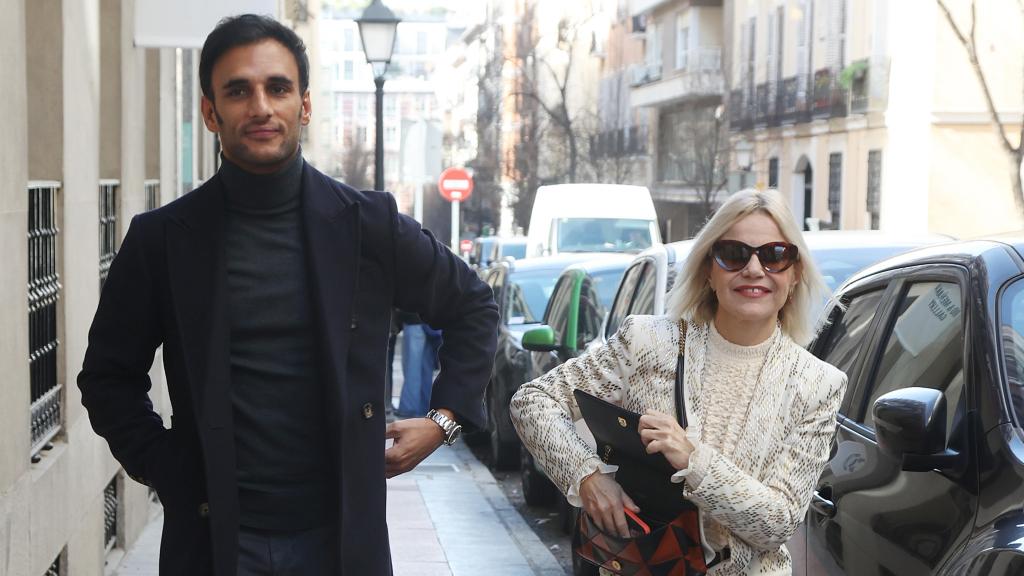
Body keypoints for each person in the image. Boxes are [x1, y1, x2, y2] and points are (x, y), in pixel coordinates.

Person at [77, 14, 498, 576]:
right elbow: (107, 377)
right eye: (238, 91)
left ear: (303, 105)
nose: (260, 107)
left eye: (277, 88)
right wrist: (167, 465)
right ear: (210, 111)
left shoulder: (366, 225)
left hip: (342, 536)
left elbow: (473, 305)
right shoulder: (162, 240)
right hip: (216, 537)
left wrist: (444, 421)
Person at [511, 188, 847, 575]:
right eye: (734, 254)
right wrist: (586, 476)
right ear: (709, 268)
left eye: (774, 255)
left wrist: (693, 459)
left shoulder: (817, 384)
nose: (754, 270)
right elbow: (533, 401)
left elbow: (778, 523)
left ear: (795, 273)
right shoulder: (649, 342)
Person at [395, 311, 442, 417]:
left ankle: (409, 409)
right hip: (431, 323)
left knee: (412, 369)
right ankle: (423, 408)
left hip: (414, 319)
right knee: (425, 369)